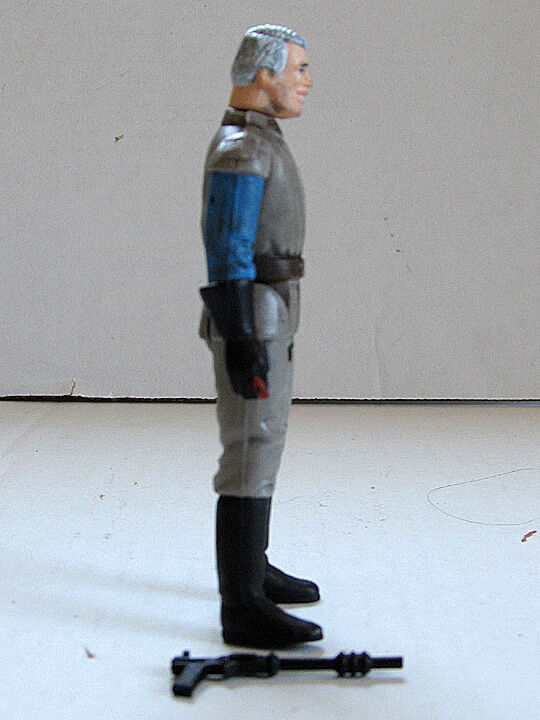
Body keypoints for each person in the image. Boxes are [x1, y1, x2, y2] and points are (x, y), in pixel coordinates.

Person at [199, 24, 322, 648]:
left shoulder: (261, 139)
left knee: (264, 443)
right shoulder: (242, 148)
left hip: (272, 312)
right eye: (298, 68)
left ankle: (256, 567)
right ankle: (241, 603)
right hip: (251, 314)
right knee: (249, 447)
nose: (307, 81)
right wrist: (242, 334)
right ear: (264, 73)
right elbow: (227, 247)